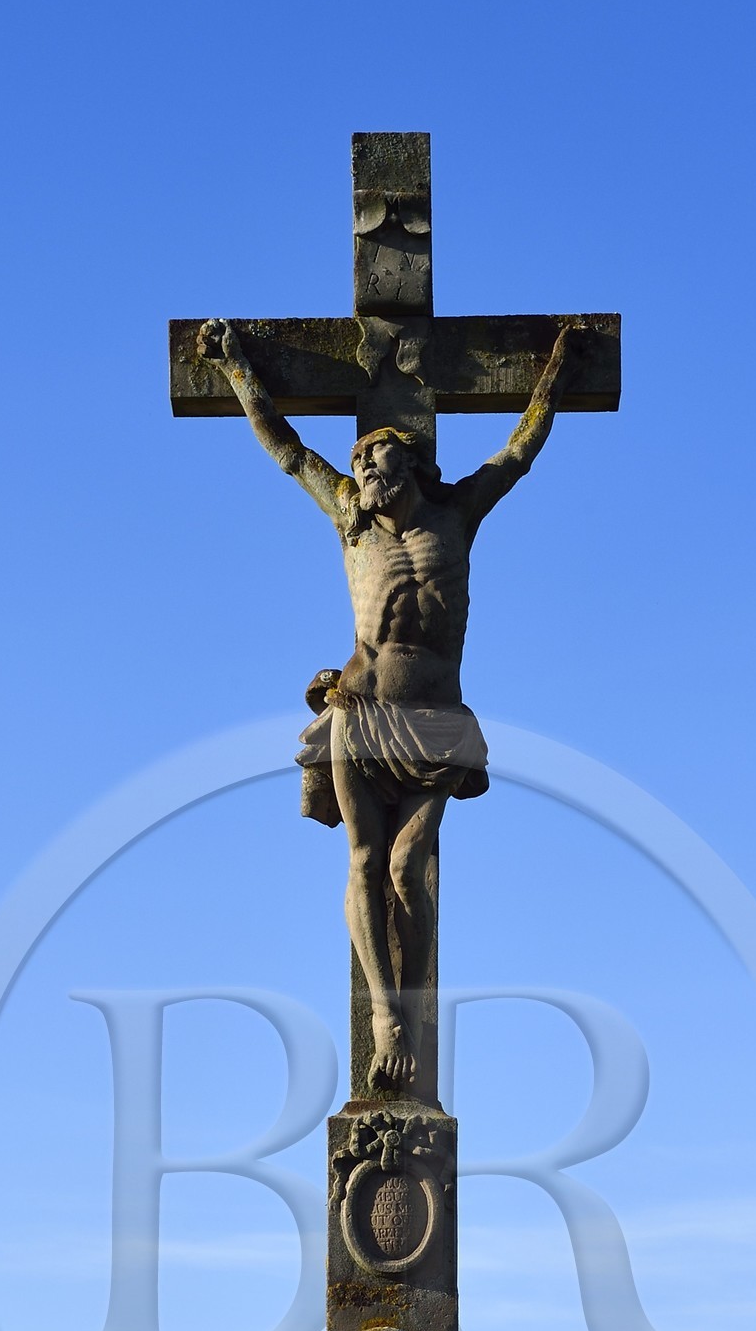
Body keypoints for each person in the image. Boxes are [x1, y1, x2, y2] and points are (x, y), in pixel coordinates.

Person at [199, 317, 579, 1091]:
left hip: (436, 722)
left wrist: (560, 372)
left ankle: (408, 1004)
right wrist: (238, 364)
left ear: (413, 461)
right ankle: (385, 1014)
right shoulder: (349, 521)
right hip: (360, 714)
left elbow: (518, 454)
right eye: (363, 460)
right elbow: (285, 448)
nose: (369, 467)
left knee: (411, 866)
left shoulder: (456, 517)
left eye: (382, 455)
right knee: (368, 858)